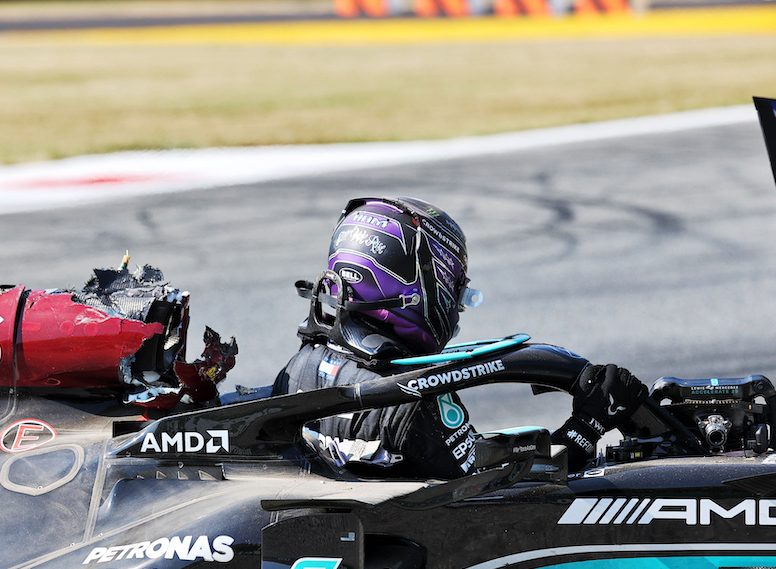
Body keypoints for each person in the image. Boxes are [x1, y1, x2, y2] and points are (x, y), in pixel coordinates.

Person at [273, 196, 648, 478]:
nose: (457, 303)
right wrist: (587, 426)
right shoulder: (411, 402)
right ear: (417, 284)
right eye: (453, 286)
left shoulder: (295, 372)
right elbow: (506, 492)